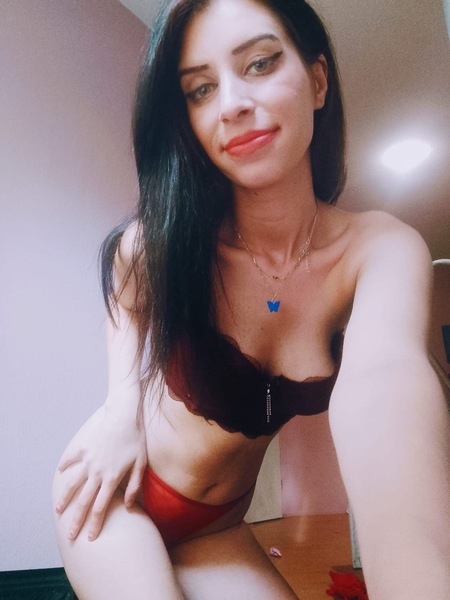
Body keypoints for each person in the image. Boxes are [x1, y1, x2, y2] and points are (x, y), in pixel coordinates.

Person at [52, 0, 450, 598]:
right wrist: (119, 407)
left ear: (318, 80)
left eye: (260, 63)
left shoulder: (381, 250)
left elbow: (387, 387)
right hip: (114, 497)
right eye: (200, 89)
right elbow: (123, 286)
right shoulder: (171, 241)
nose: (232, 104)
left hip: (220, 525)